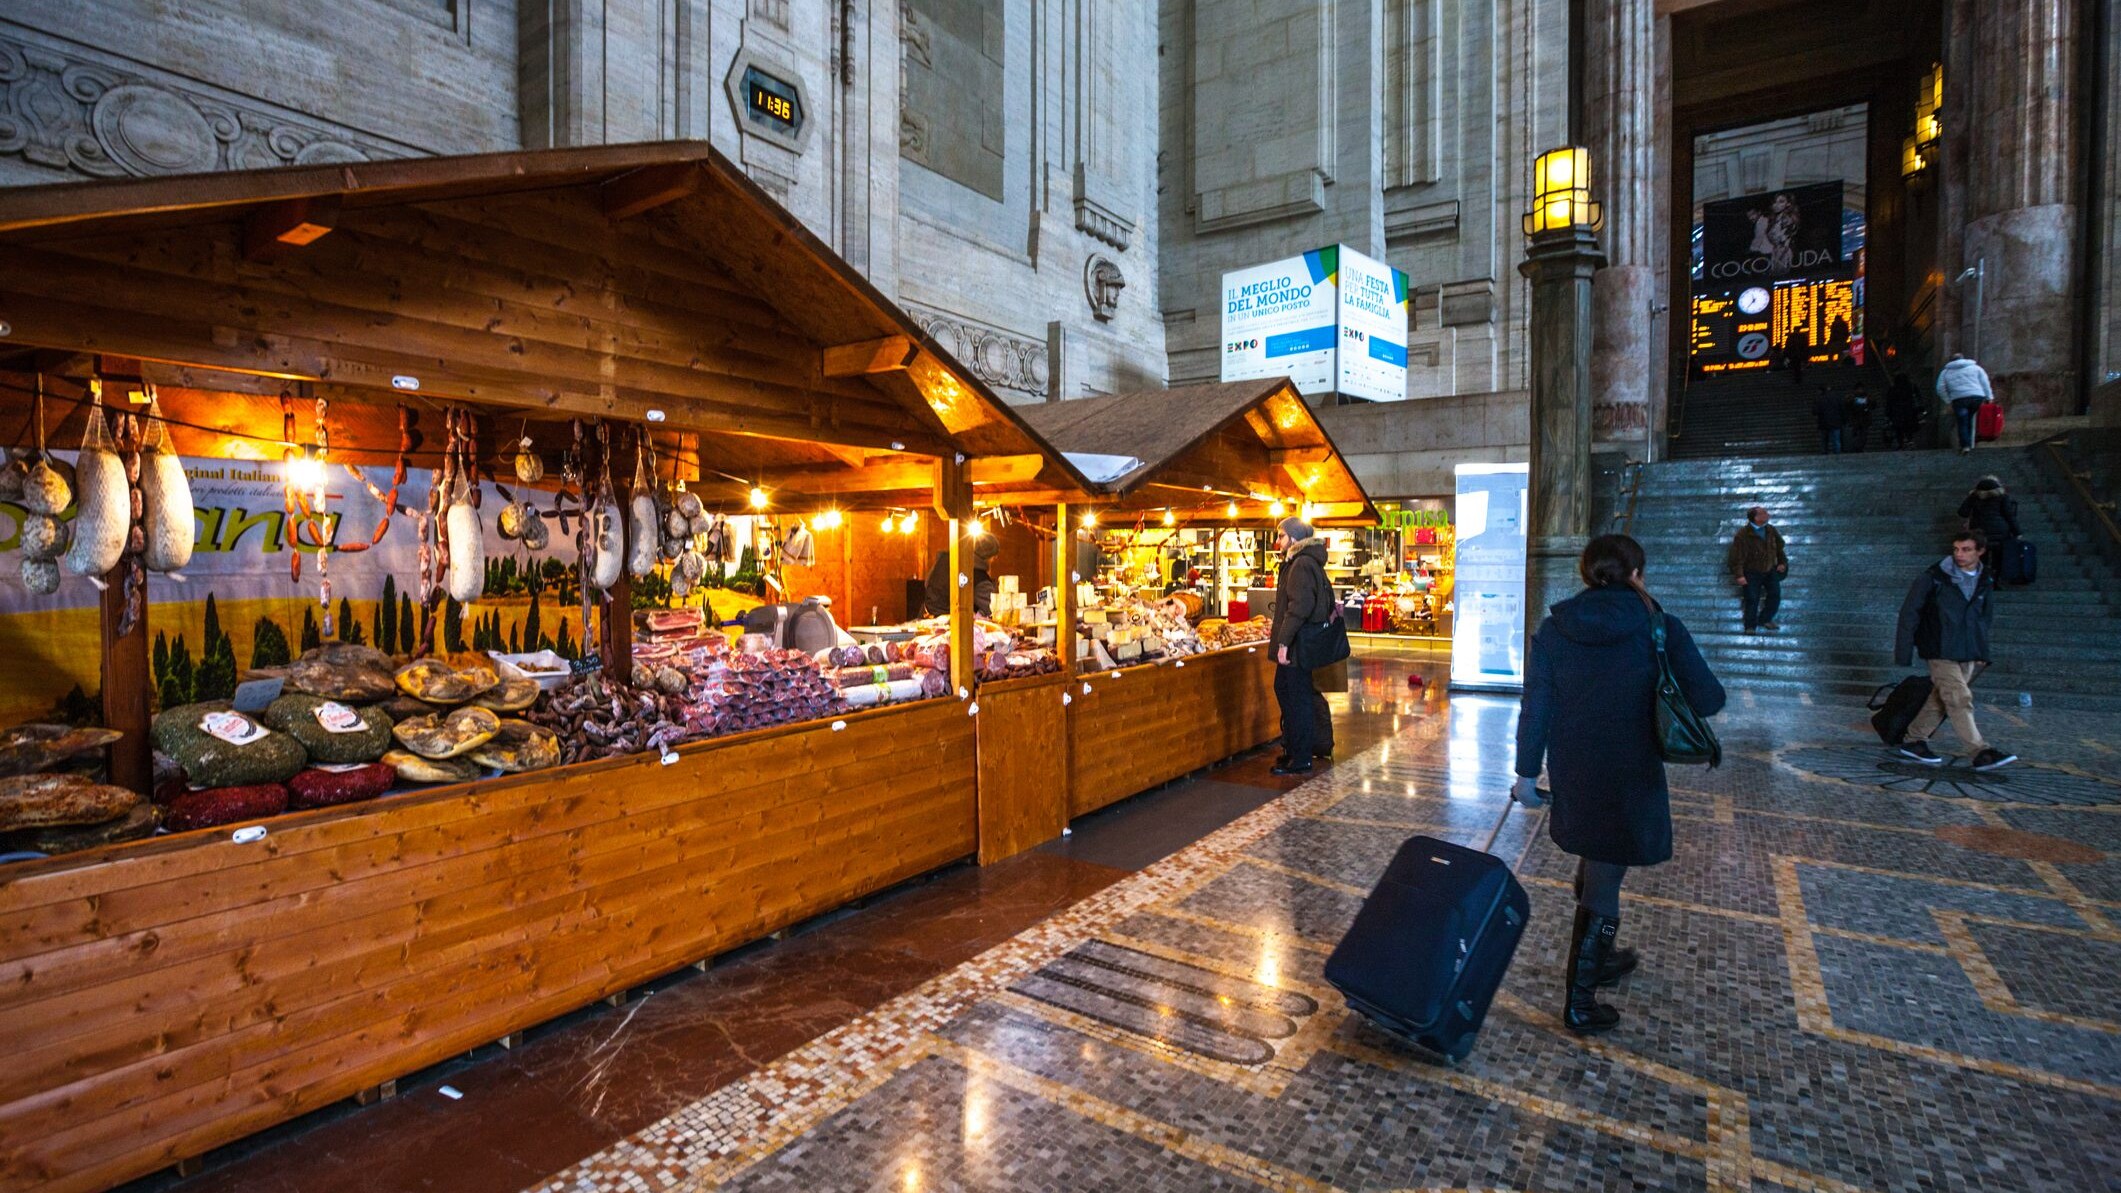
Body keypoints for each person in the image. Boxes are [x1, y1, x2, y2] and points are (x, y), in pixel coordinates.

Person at [1513, 534, 1726, 1035]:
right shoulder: (1658, 626)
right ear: (1636, 573)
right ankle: (1580, 1002)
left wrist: (1525, 774)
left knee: (1598, 858)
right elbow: (1709, 699)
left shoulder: (1554, 628)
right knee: (1606, 877)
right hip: (1632, 769)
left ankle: (1601, 956)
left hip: (1574, 767)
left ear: (1586, 573)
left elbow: (1535, 708)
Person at [1892, 530, 2016, 770]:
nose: (1959, 554)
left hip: (1967, 649)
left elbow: (1983, 619)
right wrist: (1903, 651)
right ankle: (1980, 751)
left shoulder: (1985, 579)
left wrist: (1981, 652)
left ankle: (1914, 740)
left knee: (1942, 697)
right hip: (1939, 647)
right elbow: (1909, 613)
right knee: (1959, 697)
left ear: (1980, 551)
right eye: (1956, 549)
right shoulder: (1933, 577)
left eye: (1966, 549)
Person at [1267, 516, 1335, 776]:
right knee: (1287, 691)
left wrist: (1284, 642)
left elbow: (1299, 607)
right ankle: (1294, 750)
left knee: (1297, 698)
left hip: (1297, 644)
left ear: (1294, 538)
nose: (1278, 541)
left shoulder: (1302, 564)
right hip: (1299, 643)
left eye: (1281, 536)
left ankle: (1301, 757)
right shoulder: (1301, 562)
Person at [1725, 506, 1789, 632]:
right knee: (1752, 599)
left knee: (1775, 595)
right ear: (1756, 518)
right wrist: (1739, 575)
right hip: (1751, 572)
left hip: (1770, 570)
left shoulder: (1770, 530)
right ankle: (1750, 626)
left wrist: (1782, 562)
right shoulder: (1743, 534)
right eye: (1764, 513)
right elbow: (1737, 557)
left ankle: (1765, 619)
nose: (1767, 514)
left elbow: (1779, 547)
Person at [1958, 475, 2021, 581]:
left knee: (1982, 558)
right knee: (1998, 558)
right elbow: (2009, 516)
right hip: (2000, 531)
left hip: (1979, 532)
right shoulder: (2002, 497)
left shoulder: (1975, 497)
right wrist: (2017, 532)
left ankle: (1982, 580)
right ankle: (1996, 580)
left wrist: (1971, 497)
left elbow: (1962, 512)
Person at [921, 534, 1000, 618]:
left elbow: (927, 583)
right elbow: (992, 608)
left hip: (927, 616)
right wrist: (977, 615)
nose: (994, 560)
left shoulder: (944, 559)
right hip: (954, 622)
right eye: (994, 557)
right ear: (987, 556)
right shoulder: (980, 577)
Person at [1935, 352, 1993, 455]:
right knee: (1971, 418)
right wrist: (1989, 397)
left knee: (1962, 422)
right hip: (1976, 397)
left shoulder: (1945, 372)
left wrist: (1948, 400)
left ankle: (1965, 446)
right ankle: (1971, 442)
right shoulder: (1976, 368)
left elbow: (1940, 388)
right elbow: (1985, 383)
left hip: (1959, 399)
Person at [1885, 371, 1922, 449]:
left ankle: (1901, 443)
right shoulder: (1911, 387)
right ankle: (1909, 441)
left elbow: (1889, 402)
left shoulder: (1893, 389)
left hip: (1897, 413)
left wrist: (1888, 414)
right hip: (1910, 412)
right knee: (1909, 428)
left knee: (1899, 429)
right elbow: (1918, 398)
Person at [1812, 386, 1847, 454]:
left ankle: (1824, 452)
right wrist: (1844, 420)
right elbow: (1842, 410)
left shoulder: (1819, 399)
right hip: (1835, 422)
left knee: (1824, 440)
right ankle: (1837, 454)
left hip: (1823, 422)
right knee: (1836, 440)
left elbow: (1815, 411)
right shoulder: (1837, 398)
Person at [1845, 382, 1874, 452]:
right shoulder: (1852, 397)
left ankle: (1859, 447)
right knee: (1856, 434)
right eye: (1859, 389)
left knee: (1864, 435)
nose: (1860, 390)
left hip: (1864, 419)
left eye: (1861, 389)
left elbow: (1873, 405)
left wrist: (1868, 402)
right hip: (1855, 419)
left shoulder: (1867, 396)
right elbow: (1847, 406)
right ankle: (1857, 447)